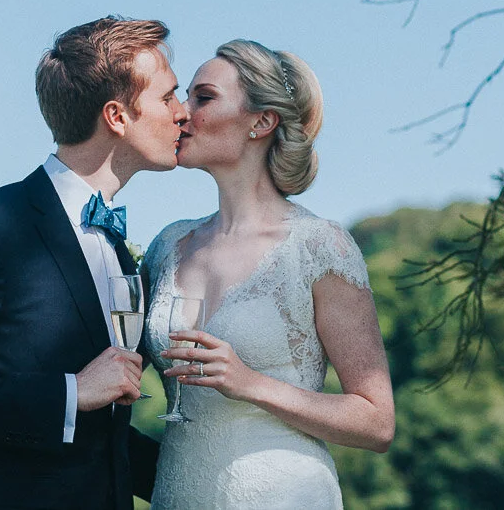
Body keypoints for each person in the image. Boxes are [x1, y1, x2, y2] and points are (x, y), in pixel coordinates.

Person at [0, 16, 188, 510]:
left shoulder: (118, 245)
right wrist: (71, 392)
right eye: (169, 96)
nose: (183, 112)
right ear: (117, 116)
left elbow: (97, 439)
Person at [142, 39, 395, 510]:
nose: (181, 112)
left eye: (204, 97)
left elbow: (377, 423)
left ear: (261, 122)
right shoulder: (166, 247)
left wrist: (251, 383)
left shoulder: (319, 246)